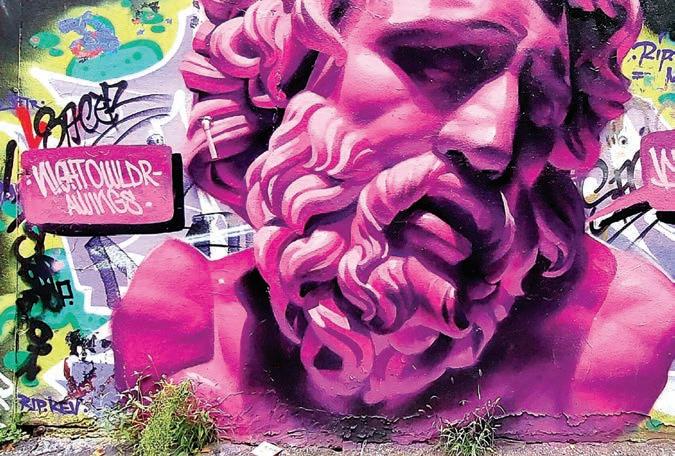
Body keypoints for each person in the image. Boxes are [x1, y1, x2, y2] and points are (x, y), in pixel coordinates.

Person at [112, 0, 674, 444]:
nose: (493, 141)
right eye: (440, 60)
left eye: (539, 97)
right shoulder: (182, 331)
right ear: (286, 74)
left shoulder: (617, 333)